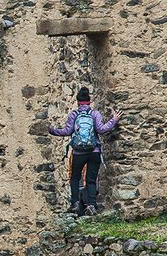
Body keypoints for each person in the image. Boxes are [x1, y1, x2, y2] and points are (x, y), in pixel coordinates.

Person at [49, 87, 119, 216]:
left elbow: (67, 131)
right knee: (91, 179)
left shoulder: (74, 115)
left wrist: (52, 130)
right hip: (94, 151)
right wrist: (113, 120)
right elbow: (101, 129)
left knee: (75, 177)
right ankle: (91, 205)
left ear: (78, 102)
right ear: (89, 101)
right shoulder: (95, 114)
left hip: (78, 153)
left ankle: (75, 203)